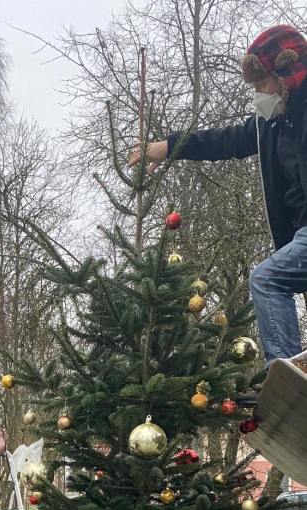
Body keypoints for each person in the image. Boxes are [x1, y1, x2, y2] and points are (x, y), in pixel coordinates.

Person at [129, 24, 307, 395]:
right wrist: (170, 146)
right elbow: (227, 141)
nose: (259, 95)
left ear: (285, 76)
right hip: (299, 236)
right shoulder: (271, 124)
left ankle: (287, 383)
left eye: (262, 84)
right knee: (275, 279)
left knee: (267, 279)